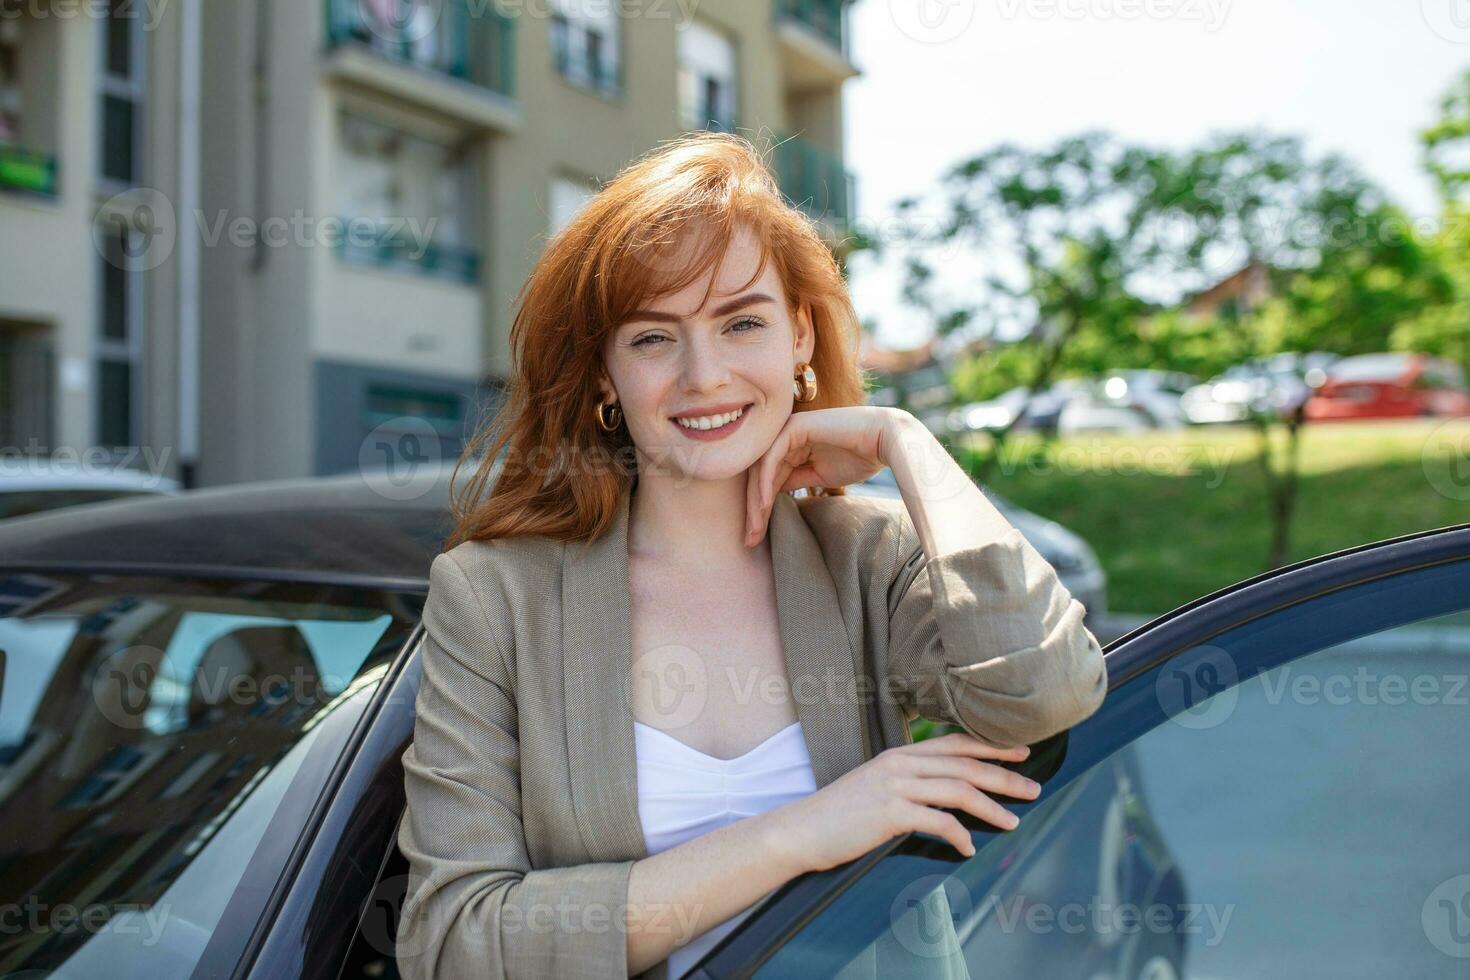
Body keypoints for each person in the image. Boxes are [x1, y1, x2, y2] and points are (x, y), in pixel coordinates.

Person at [394, 131, 1108, 980]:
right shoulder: (493, 598)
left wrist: (908, 445)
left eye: (742, 322)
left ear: (799, 336)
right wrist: (798, 834)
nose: (705, 375)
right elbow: (454, 943)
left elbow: (1047, 697)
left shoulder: (868, 561)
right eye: (653, 338)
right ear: (602, 377)